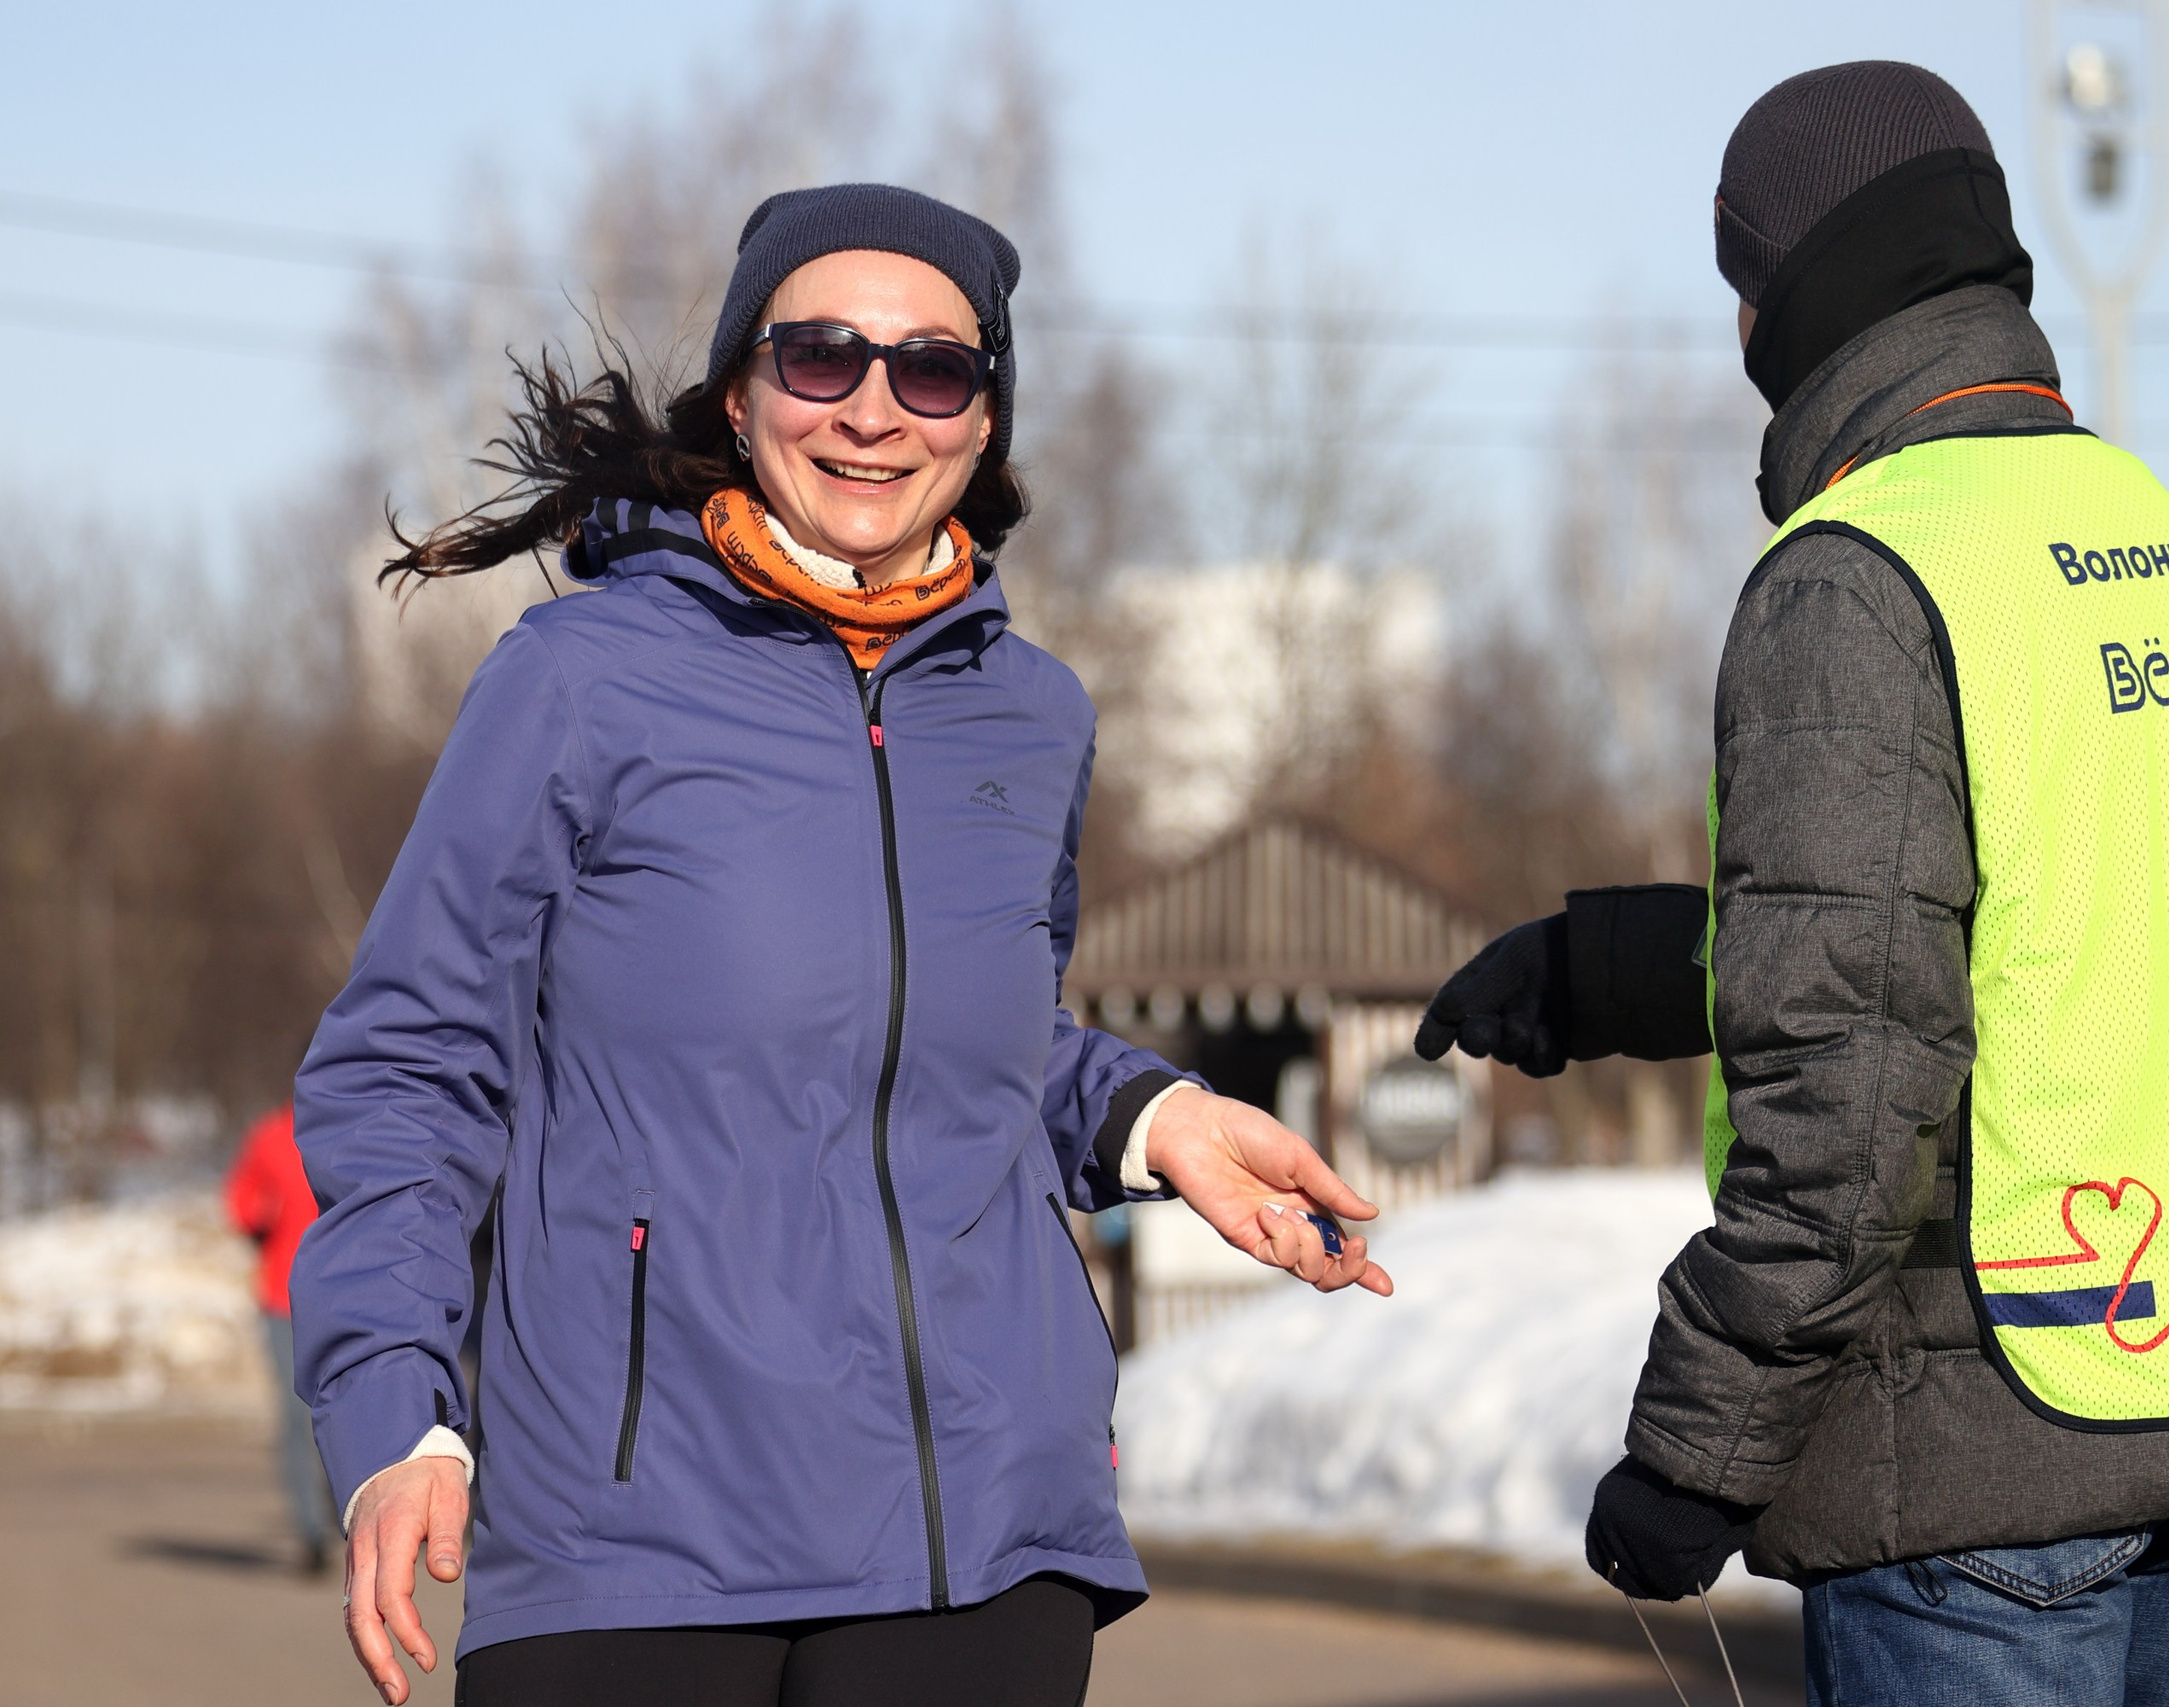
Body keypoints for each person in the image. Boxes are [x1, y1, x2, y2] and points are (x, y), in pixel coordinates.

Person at [293, 183, 1392, 1707]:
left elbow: (958, 1028)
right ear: (743, 395)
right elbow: (410, 1062)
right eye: (822, 358)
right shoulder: (578, 681)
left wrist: (1158, 1112)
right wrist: (392, 1411)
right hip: (637, 1538)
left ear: (984, 422)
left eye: (933, 369)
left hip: (981, 1545)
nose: (875, 409)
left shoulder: (1035, 712)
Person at [1419, 64, 2169, 1706]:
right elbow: (2079, 934)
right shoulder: (2161, 534)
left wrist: (1699, 1447)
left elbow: (1852, 1087)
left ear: (1795, 296)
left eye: (1741, 291)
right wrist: (1633, 968)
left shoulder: (1862, 571)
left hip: (1990, 1451)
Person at [223, 1102, 334, 1576]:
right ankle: (310, 1530)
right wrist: (257, 1218)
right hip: (282, 1300)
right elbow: (240, 1199)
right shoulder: (270, 1134)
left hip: (346, 1299)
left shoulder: (364, 1123)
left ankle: (348, 1512)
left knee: (347, 1411)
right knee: (296, 1416)